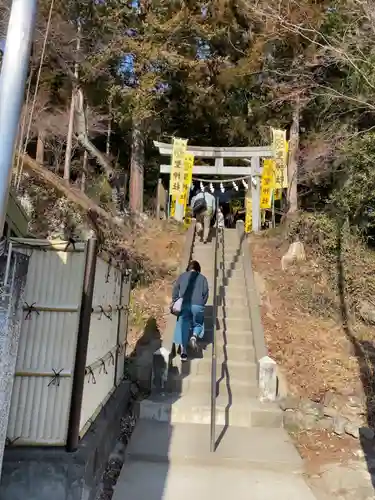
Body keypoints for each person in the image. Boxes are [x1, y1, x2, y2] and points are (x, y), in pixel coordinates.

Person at [172, 260, 209, 361]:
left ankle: (184, 353)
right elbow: (205, 293)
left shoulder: (182, 276)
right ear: (198, 269)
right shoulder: (203, 278)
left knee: (183, 325)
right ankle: (194, 336)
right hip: (198, 304)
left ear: (188, 268)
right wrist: (201, 303)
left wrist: (175, 300)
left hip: (185, 304)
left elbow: (175, 289)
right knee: (198, 324)